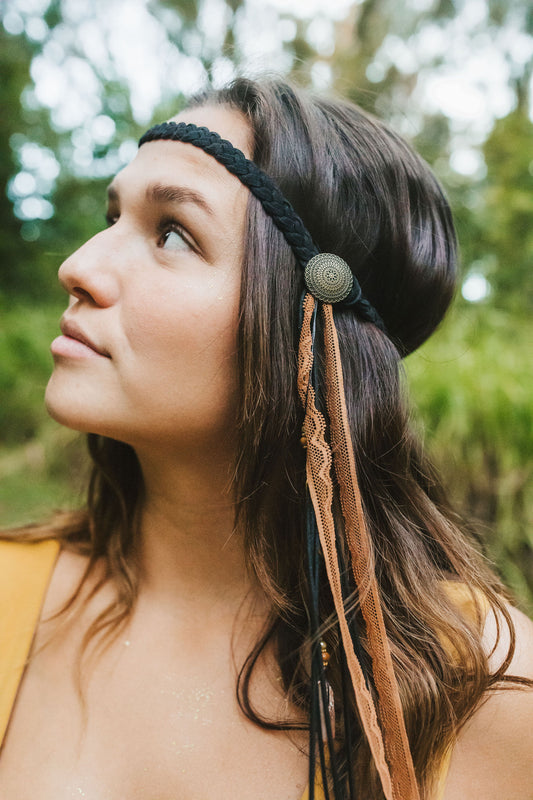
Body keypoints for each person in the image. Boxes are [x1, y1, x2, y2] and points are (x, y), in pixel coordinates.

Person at [0, 77, 532, 800]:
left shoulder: (481, 689)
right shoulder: (10, 590)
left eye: (172, 234)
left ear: (308, 323)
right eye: (112, 215)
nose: (79, 266)